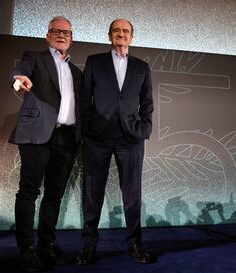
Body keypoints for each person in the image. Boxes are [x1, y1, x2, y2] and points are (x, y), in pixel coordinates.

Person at [77, 18, 155, 265]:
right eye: (117, 31)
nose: (121, 34)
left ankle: (135, 246)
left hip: (131, 138)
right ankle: (89, 246)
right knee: (92, 194)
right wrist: (87, 129)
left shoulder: (142, 67)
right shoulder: (94, 61)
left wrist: (144, 129)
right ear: (109, 35)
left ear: (132, 37)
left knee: (132, 195)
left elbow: (147, 104)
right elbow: (84, 99)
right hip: (97, 138)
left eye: (126, 31)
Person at [9, 16, 82, 272]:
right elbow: (21, 69)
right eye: (56, 31)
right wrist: (19, 77)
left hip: (67, 139)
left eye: (66, 32)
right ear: (47, 35)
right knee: (29, 192)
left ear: (71, 39)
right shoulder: (35, 57)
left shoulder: (76, 72)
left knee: (54, 194)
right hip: (38, 134)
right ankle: (26, 250)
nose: (61, 35)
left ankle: (46, 246)